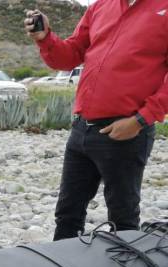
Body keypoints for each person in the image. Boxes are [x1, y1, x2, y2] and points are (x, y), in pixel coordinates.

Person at [25, 5, 167, 241]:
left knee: (123, 219)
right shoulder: (102, 5)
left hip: (126, 132)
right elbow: (70, 55)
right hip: (82, 129)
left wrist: (140, 120)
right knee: (67, 214)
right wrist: (45, 38)